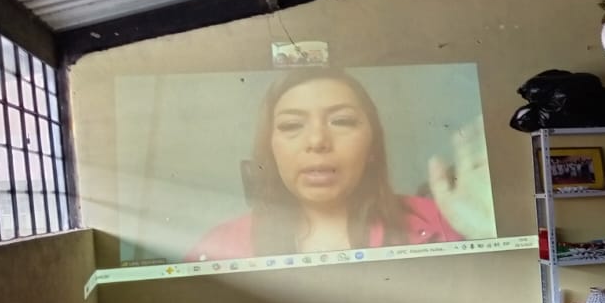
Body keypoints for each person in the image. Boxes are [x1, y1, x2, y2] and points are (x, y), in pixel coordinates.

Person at [187, 67, 497, 260]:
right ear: (271, 149)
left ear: (372, 147)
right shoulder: (218, 247)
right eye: (292, 125)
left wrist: (487, 235)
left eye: (342, 121)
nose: (317, 141)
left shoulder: (443, 222)